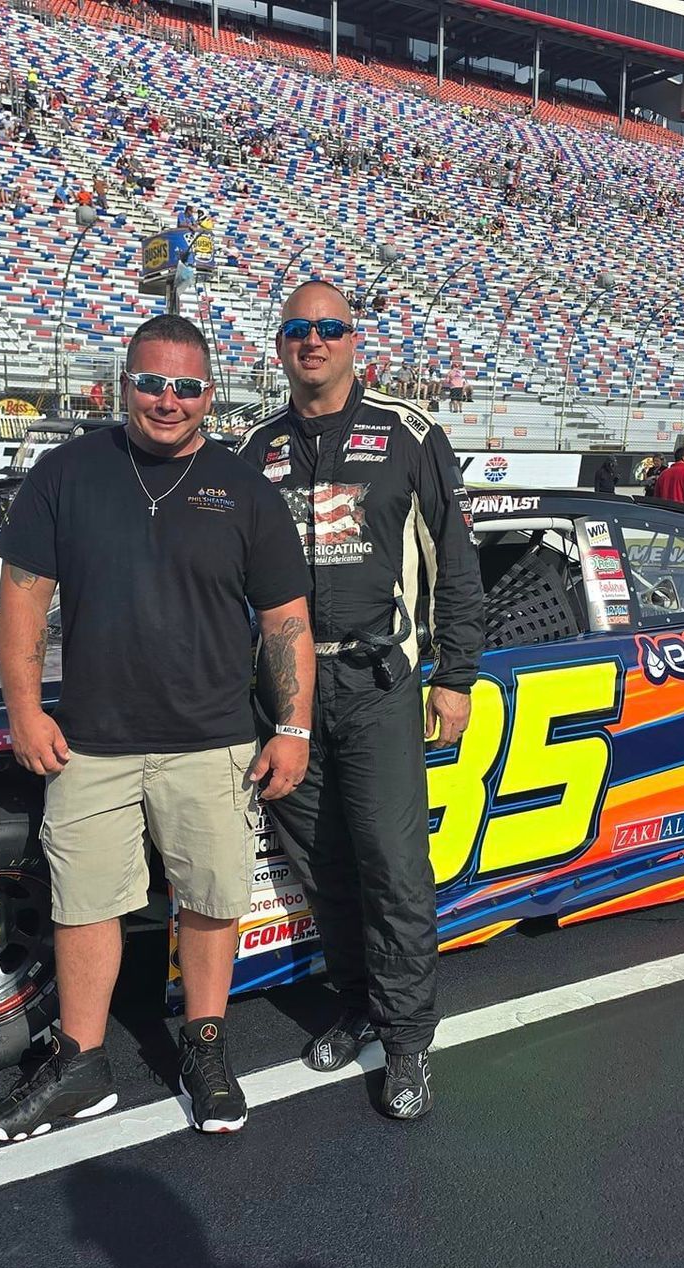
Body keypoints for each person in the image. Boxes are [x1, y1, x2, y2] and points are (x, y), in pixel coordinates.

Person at [0, 314, 314, 1142]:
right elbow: (21, 604)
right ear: (121, 384)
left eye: (188, 387)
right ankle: (82, 1065)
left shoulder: (244, 489)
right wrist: (24, 709)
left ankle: (205, 1047)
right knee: (85, 904)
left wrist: (295, 728)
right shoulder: (65, 473)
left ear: (211, 395)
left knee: (209, 900)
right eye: (152, 383)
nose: (169, 401)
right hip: (91, 740)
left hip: (215, 740)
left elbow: (286, 621)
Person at [238, 280, 484, 1121]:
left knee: (392, 867)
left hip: (381, 682)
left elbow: (457, 562)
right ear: (281, 347)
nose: (314, 342)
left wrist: (456, 675)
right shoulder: (253, 447)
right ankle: (356, 1004)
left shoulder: (411, 434)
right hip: (287, 692)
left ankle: (409, 1037)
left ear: (354, 342)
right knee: (323, 867)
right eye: (299, 330)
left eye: (330, 328)